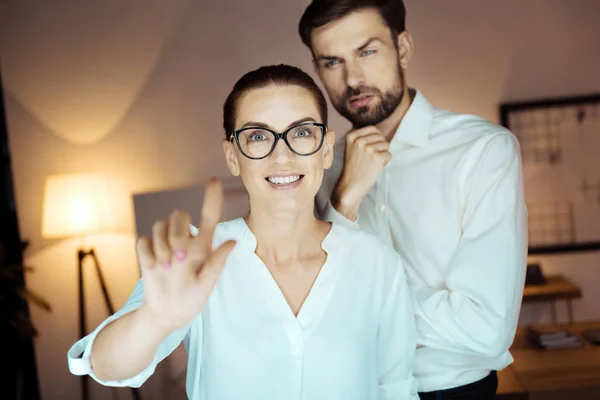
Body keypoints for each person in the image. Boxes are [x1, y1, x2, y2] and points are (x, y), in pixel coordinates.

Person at [67, 64, 419, 400]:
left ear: (326, 149)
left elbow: (397, 389)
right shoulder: (196, 261)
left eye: (301, 133)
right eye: (257, 136)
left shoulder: (378, 264)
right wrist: (156, 320)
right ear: (233, 156)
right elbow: (107, 366)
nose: (282, 157)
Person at [298, 1, 528, 399]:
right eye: (332, 62)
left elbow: (487, 329)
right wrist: (345, 199)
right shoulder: (318, 169)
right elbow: (313, 307)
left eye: (367, 51)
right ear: (317, 70)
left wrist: (367, 304)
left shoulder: (483, 151)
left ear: (402, 48)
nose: (353, 78)